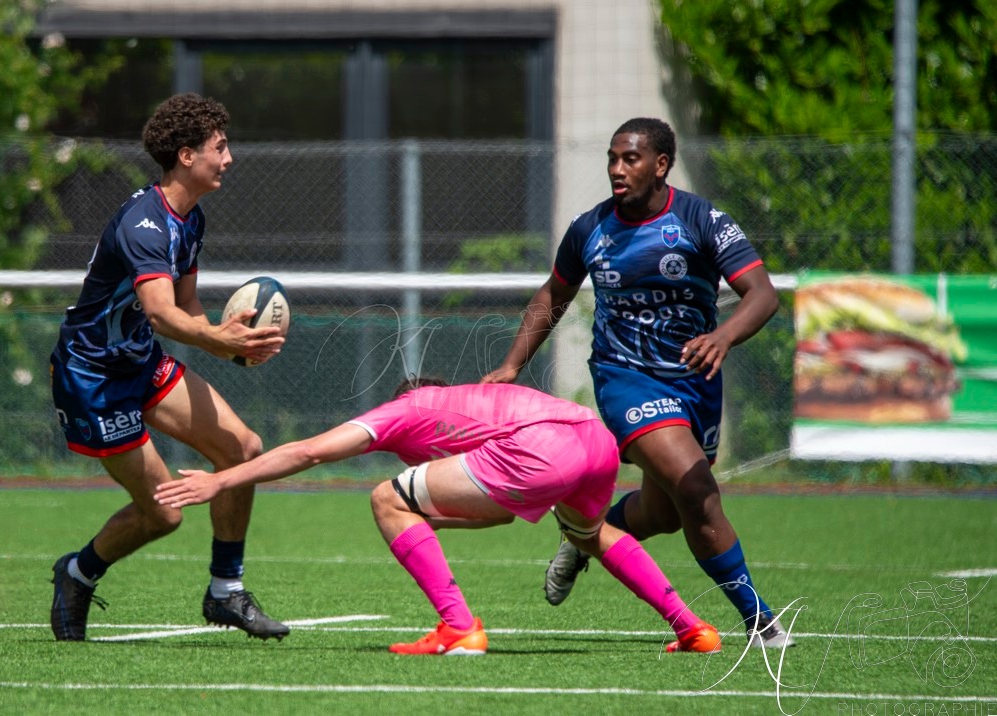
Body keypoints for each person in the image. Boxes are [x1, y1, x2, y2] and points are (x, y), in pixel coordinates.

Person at [481, 117, 794, 648]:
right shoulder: (590, 228)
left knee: (666, 513)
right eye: (612, 158)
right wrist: (513, 363)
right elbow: (553, 295)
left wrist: (722, 337)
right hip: (624, 379)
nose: (617, 169)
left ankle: (583, 535)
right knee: (696, 489)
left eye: (630, 159)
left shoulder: (702, 220)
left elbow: (762, 294)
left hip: (695, 383)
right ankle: (759, 620)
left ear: (661, 165)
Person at [155, 378, 723, 656]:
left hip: (539, 449)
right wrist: (435, 521)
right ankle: (691, 628)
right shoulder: (471, 405)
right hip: (592, 438)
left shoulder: (404, 411)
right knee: (592, 533)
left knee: (385, 498)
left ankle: (458, 627)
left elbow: (307, 451)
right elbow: (499, 515)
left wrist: (221, 479)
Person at [48, 93, 289, 642]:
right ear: (186, 156)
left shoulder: (191, 220)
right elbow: (159, 312)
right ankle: (77, 573)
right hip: (94, 378)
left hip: (140, 362)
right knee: (163, 515)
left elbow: (188, 310)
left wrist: (233, 346)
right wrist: (216, 338)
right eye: (219, 148)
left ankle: (226, 591)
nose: (228, 159)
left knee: (242, 450)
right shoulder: (145, 223)